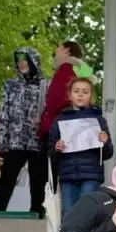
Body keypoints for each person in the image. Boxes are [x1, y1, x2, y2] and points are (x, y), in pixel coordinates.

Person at [0, 47, 49, 217]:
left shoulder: (46, 85)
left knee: (38, 180)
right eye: (19, 62)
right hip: (14, 140)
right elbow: (3, 113)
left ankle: (37, 212)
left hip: (38, 141)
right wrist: (1, 142)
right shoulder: (11, 85)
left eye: (25, 61)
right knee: (7, 178)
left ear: (34, 62)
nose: (21, 64)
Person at [49, 78, 114, 217]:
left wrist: (104, 142)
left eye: (85, 92)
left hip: (91, 175)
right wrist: (57, 147)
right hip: (67, 176)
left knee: (87, 211)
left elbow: (108, 153)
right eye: (76, 91)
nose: (80, 95)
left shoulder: (98, 120)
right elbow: (51, 153)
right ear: (69, 95)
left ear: (91, 96)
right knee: (68, 213)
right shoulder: (60, 120)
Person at [40, 40, 87, 190]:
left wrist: (44, 116)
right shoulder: (82, 72)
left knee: (50, 173)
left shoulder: (65, 68)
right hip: (74, 126)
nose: (56, 51)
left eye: (59, 48)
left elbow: (55, 100)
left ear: (67, 50)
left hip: (55, 125)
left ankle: (51, 203)